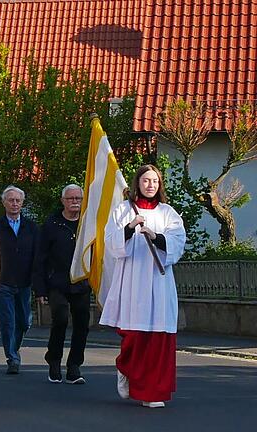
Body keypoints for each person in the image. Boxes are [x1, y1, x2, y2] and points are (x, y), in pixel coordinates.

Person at [100, 165, 186, 408]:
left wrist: (155, 236)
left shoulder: (168, 213)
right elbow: (111, 241)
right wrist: (130, 227)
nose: (151, 185)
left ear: (160, 185)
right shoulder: (123, 209)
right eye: (146, 181)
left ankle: (152, 392)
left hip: (159, 282)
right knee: (134, 336)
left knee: (159, 337)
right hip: (133, 281)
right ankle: (125, 367)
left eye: (155, 181)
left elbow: (177, 242)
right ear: (137, 183)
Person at [33, 185, 91, 384]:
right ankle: (54, 360)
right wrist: (40, 288)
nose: (75, 202)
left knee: (82, 324)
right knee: (60, 319)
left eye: (78, 198)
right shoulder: (51, 224)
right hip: (57, 282)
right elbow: (40, 258)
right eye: (71, 198)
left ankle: (74, 366)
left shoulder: (88, 224)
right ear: (63, 201)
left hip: (81, 282)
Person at [0, 185, 38, 375]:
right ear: (4, 203)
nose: (15, 203)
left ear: (22, 203)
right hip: (3, 282)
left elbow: (37, 256)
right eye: (11, 200)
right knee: (8, 322)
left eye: (18, 200)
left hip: (25, 282)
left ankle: (14, 347)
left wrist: (38, 282)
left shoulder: (31, 227)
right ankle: (12, 357)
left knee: (24, 322)